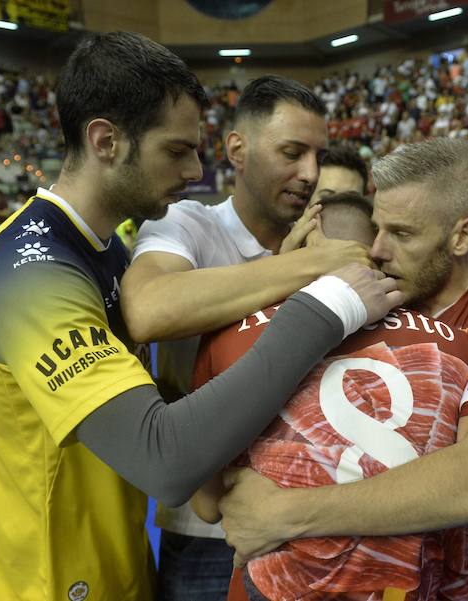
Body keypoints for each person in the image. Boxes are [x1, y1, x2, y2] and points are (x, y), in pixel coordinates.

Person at [0, 32, 401, 601]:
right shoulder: (32, 271)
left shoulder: (107, 253)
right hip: (49, 582)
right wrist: (325, 303)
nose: (196, 168)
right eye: (176, 150)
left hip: (119, 565)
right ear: (106, 141)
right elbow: (163, 459)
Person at [215, 138, 468, 600]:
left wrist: (285, 513)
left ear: (463, 236)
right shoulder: (353, 291)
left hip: (458, 583)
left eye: (403, 233)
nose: (376, 250)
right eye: (377, 227)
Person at [121, 76, 375, 600]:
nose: (309, 173)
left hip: (311, 523)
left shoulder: (329, 241)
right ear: (237, 148)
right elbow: (148, 308)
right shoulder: (187, 224)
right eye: (292, 152)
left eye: (318, 155)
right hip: (205, 532)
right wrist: (307, 266)